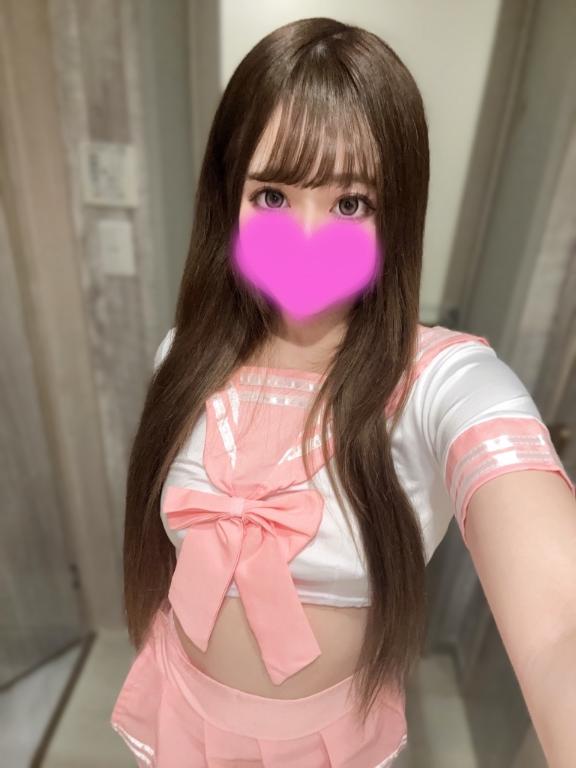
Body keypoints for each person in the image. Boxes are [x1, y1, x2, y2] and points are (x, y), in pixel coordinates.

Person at [109, 17, 576, 768]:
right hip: (182, 712)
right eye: (271, 195)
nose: (306, 237)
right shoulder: (181, 355)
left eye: (351, 202)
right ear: (227, 200)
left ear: (397, 216)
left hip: (328, 744)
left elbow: (559, 628)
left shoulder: (437, 380)